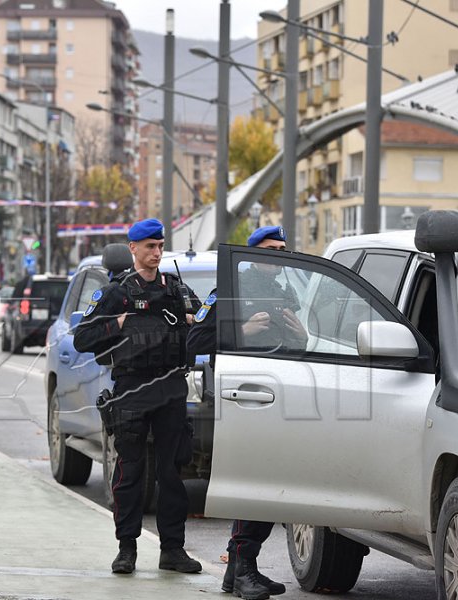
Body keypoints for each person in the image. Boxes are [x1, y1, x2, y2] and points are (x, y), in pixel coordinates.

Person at [73, 218, 203, 576]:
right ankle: (126, 549)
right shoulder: (116, 292)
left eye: (160, 246)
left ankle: (172, 550)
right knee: (130, 472)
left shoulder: (176, 288)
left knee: (172, 473)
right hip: (132, 389)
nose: (157, 253)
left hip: (172, 388)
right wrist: (119, 322)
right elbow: (82, 337)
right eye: (150, 247)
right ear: (133, 248)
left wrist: (198, 318)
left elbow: (205, 320)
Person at [187, 225, 306, 600]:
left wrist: (302, 337)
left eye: (284, 250)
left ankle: (240, 570)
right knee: (255, 485)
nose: (279, 257)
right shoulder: (229, 292)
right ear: (253, 254)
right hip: (246, 399)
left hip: (280, 396)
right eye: (272, 250)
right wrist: (241, 329)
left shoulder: (288, 295)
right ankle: (243, 569)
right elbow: (195, 342)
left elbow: (298, 349)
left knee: (271, 488)